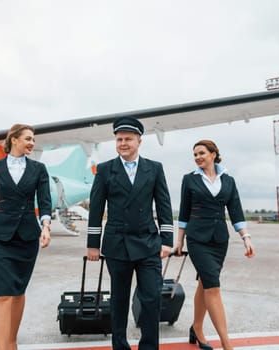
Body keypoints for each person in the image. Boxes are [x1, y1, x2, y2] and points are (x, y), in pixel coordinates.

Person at [86, 116, 174, 350]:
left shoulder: (154, 169)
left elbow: (164, 205)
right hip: (117, 244)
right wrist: (93, 244)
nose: (123, 143)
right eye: (119, 139)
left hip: (148, 243)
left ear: (139, 141)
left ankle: (148, 346)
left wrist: (167, 241)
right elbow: (96, 209)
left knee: (152, 298)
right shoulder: (105, 170)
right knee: (119, 299)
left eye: (128, 139)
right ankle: (120, 345)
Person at [175, 140, 255, 350]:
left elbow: (236, 210)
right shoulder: (189, 179)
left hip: (219, 240)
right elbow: (184, 213)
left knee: (205, 282)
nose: (198, 157)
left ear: (213, 154)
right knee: (213, 286)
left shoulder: (228, 180)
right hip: (197, 239)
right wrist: (179, 240)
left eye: (201, 153)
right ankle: (226, 343)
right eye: (195, 154)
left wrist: (246, 237)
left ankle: (197, 327)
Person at [0, 124, 52, 350]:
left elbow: (45, 202)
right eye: (28, 139)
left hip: (27, 237)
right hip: (0, 237)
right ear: (14, 140)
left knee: (18, 291)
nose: (32, 143)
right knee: (2, 294)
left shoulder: (39, 169)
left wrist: (46, 226)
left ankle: (11, 342)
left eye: (33, 140)